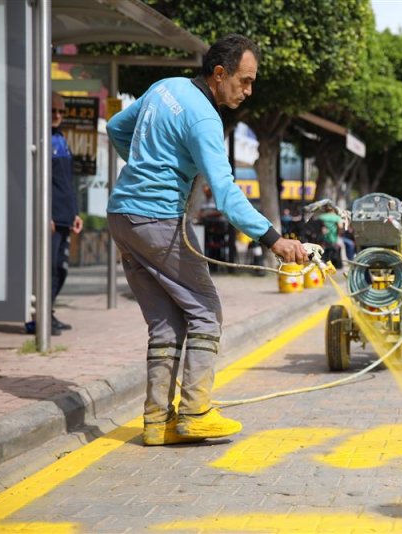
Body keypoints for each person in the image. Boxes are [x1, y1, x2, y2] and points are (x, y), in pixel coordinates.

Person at [106, 34, 308, 446]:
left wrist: (148, 165)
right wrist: (275, 240)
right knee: (206, 312)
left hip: (122, 216)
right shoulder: (204, 118)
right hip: (157, 219)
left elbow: (115, 127)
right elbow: (229, 195)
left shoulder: (165, 88)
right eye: (244, 81)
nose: (248, 91)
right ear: (219, 74)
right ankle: (196, 412)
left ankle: (158, 422)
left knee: (166, 322)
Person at [26, 93, 84, 336]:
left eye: (61, 112)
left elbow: (65, 182)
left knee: (60, 269)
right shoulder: (39, 140)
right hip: (49, 218)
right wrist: (44, 214)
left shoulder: (60, 139)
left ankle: (47, 313)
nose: (57, 116)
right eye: (52, 112)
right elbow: (38, 182)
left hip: (65, 216)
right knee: (46, 270)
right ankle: (37, 319)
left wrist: (75, 213)